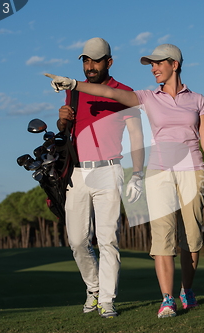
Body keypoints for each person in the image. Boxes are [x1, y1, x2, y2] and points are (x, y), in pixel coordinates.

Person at [46, 43, 204, 319]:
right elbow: (107, 92)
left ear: (174, 64)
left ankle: (185, 290)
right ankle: (167, 299)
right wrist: (73, 85)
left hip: (191, 169)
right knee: (161, 239)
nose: (153, 69)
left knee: (191, 238)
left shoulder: (198, 99)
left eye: (158, 64)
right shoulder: (146, 96)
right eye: (151, 65)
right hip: (158, 171)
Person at [55, 37, 144, 319]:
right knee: (78, 241)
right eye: (85, 61)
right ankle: (93, 288)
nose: (89, 66)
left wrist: (138, 174)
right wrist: (62, 119)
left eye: (95, 60)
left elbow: (137, 137)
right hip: (78, 172)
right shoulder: (74, 92)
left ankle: (107, 299)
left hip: (109, 170)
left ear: (109, 62)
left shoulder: (124, 93)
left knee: (108, 240)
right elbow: (65, 130)